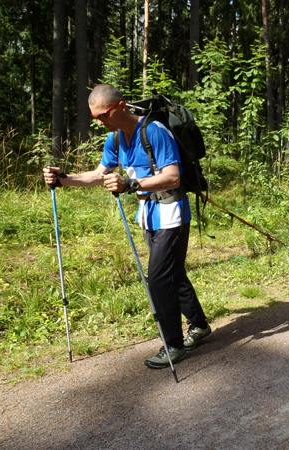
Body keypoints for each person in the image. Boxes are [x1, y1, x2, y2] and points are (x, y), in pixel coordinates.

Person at [43, 84, 211, 369]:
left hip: (172, 213)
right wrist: (64, 179)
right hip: (149, 215)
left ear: (120, 106)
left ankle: (173, 344)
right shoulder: (116, 140)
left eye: (103, 115)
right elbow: (99, 174)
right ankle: (200, 325)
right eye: (95, 117)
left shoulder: (154, 131)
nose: (99, 122)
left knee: (158, 278)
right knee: (173, 272)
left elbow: (173, 177)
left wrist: (132, 183)